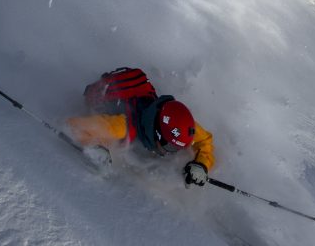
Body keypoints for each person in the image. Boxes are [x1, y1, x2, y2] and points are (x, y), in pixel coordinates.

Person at [66, 69, 214, 187]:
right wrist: (96, 147)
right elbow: (75, 126)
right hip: (111, 107)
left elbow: (204, 141)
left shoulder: (179, 122)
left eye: (176, 147)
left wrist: (201, 164)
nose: (171, 153)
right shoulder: (122, 127)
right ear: (157, 134)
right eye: (169, 147)